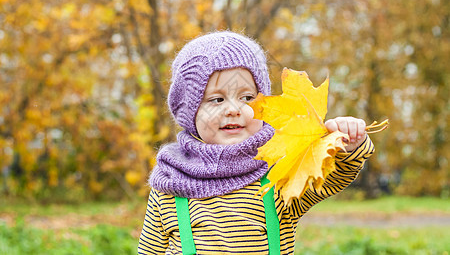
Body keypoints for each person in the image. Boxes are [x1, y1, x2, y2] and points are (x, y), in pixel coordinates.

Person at [137, 31, 374, 254]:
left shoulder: (277, 173)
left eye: (247, 97)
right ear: (190, 113)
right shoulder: (170, 182)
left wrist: (348, 144)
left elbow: (331, 177)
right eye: (217, 99)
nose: (234, 109)